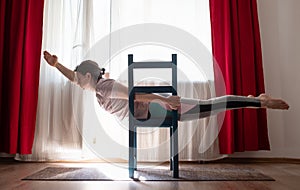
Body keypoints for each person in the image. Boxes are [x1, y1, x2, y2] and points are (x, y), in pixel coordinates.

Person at [43, 51, 289, 121]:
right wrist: (56, 65)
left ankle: (258, 101)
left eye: (78, 75)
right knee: (209, 108)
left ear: (88, 75)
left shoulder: (104, 86)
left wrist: (164, 100)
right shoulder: (96, 86)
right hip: (152, 110)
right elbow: (75, 79)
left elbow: (134, 94)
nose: (76, 80)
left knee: (209, 107)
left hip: (157, 108)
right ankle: (253, 99)